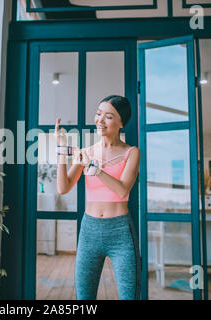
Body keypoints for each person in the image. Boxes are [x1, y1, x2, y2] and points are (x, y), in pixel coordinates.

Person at [55, 95, 141, 300]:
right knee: (84, 298)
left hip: (120, 232)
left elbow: (122, 190)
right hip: (89, 231)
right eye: (98, 114)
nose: (100, 120)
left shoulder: (132, 153)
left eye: (108, 116)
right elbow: (63, 187)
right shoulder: (87, 151)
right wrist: (61, 150)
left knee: (129, 296)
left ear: (121, 122)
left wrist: (96, 168)